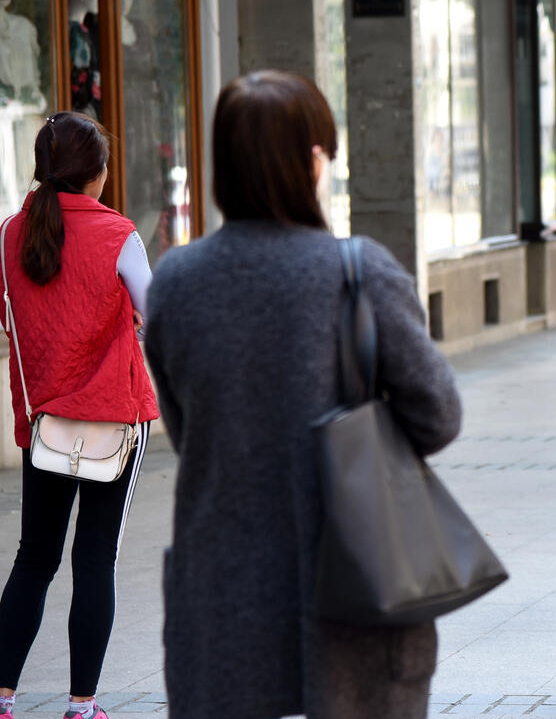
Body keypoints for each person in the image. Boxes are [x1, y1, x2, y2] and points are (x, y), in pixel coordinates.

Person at [143, 70, 462, 719]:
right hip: (354, 574)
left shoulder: (175, 281)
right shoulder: (359, 270)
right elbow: (438, 415)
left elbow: (184, 427)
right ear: (314, 160)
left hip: (222, 590)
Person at [0, 112, 158, 719]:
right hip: (115, 419)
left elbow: (12, 321)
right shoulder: (119, 235)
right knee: (94, 559)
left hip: (45, 422)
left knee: (34, 556)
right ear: (97, 173)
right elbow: (156, 314)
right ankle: (82, 706)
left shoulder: (9, 236)